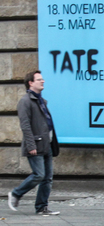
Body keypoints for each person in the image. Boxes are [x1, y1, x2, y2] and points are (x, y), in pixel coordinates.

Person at [8, 70, 60, 216]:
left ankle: (42, 207)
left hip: (46, 144)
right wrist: (31, 145)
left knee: (47, 178)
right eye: (39, 79)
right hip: (35, 145)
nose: (42, 81)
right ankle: (16, 193)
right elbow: (25, 126)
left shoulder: (41, 101)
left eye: (42, 79)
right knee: (39, 175)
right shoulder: (25, 102)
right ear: (31, 83)